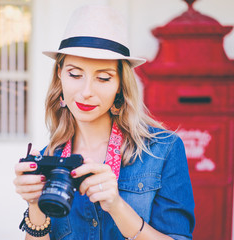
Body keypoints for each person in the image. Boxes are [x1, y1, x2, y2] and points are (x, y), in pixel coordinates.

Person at [14, 4, 195, 240]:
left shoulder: (164, 150)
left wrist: (117, 207)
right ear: (59, 74)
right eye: (75, 74)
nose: (86, 91)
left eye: (103, 77)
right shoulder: (48, 159)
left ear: (120, 84)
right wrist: (35, 204)